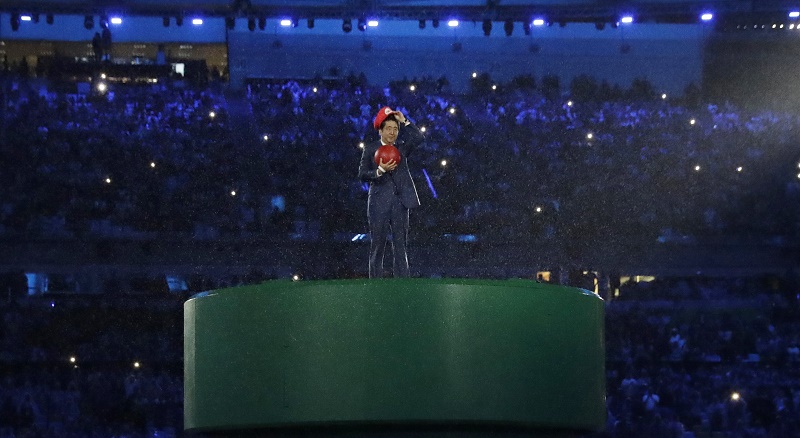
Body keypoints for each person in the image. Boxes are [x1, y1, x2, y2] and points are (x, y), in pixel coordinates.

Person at [358, 106, 424, 278]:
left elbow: (419, 138)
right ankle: (375, 284)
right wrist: (379, 171)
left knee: (401, 246)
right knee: (378, 245)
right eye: (388, 128)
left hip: (401, 202)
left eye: (395, 129)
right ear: (380, 130)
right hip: (379, 203)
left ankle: (402, 284)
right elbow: (362, 175)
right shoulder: (371, 149)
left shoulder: (402, 149)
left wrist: (405, 121)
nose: (392, 132)